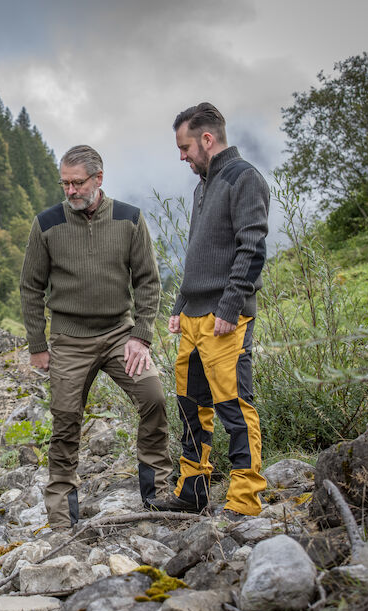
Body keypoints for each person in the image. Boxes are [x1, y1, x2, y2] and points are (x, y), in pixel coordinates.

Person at [19, 144, 173, 533]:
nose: (69, 191)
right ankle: (60, 517)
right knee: (66, 420)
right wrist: (38, 345)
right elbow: (30, 287)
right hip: (70, 338)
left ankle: (156, 494)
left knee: (153, 398)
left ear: (98, 179)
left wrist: (141, 336)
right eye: (64, 183)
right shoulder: (47, 224)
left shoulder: (130, 219)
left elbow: (148, 282)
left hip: (122, 334)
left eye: (77, 183)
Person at [153, 102, 269, 519]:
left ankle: (244, 501)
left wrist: (230, 305)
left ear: (207, 139)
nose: (181, 156)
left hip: (225, 318)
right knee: (190, 404)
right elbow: (196, 252)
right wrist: (180, 303)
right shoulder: (203, 185)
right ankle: (193, 491)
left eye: (185, 147)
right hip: (194, 317)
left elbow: (252, 246)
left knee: (234, 405)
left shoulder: (244, 178)